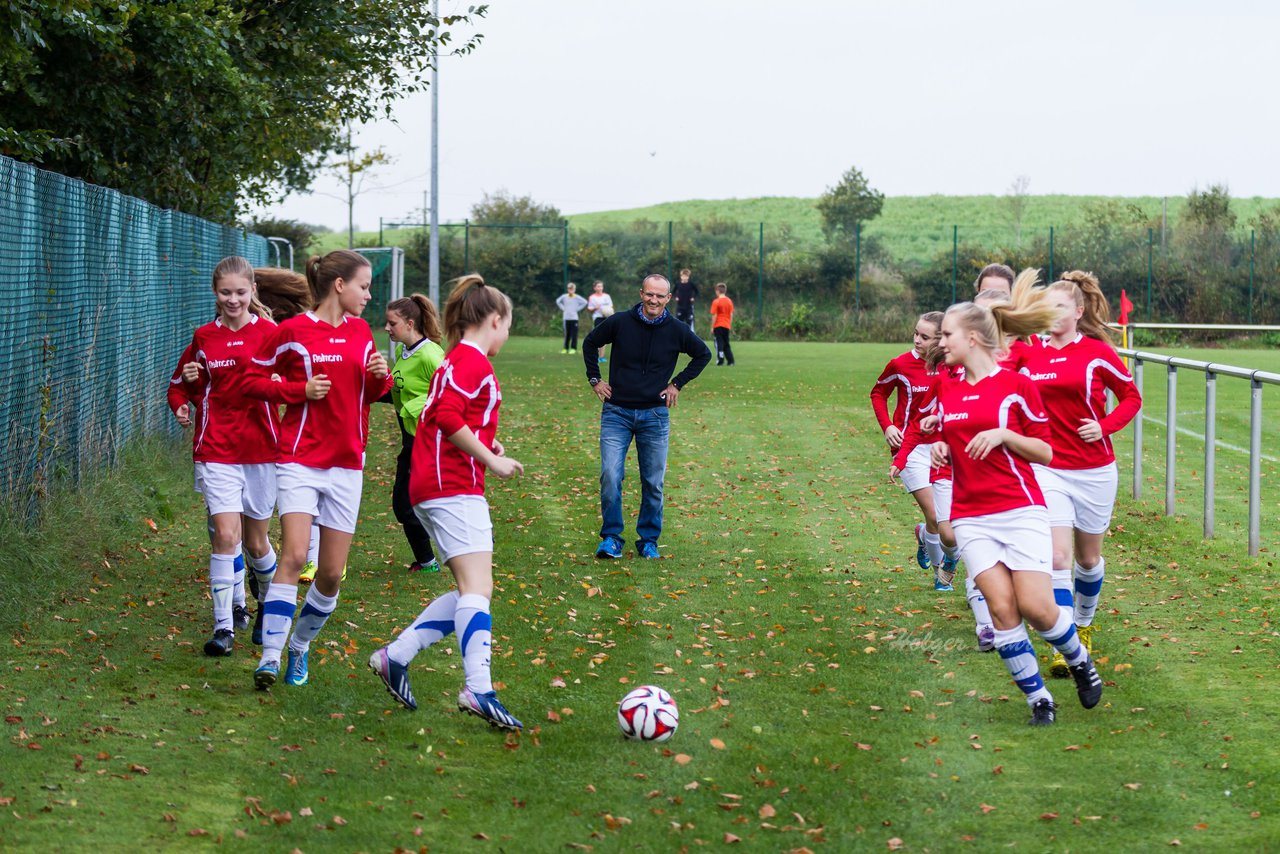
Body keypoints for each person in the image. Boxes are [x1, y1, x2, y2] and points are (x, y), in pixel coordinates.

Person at [931, 269, 1103, 726]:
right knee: (1002, 609)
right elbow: (951, 433)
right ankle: (1039, 701)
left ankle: (1081, 662)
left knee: (1037, 608)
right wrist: (938, 438)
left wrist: (1005, 434)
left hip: (1021, 509)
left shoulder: (1017, 385)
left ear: (972, 337)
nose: (941, 341)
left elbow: (1045, 450)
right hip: (970, 515)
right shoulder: (947, 385)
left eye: (947, 334)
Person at [368, 274, 525, 730]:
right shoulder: (471, 362)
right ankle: (479, 688)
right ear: (494, 320)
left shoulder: (458, 360)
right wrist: (488, 460)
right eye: (508, 325)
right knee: (476, 592)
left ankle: (395, 658)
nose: (507, 334)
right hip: (451, 486)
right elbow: (445, 415)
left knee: (470, 591)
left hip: (440, 483)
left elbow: (447, 420)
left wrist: (485, 448)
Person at [243, 249, 391, 690]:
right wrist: (298, 390)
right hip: (299, 460)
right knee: (292, 556)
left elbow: (370, 392)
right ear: (340, 285)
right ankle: (269, 658)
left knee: (328, 575)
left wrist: (380, 375)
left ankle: (299, 648)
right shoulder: (291, 331)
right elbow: (251, 381)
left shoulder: (362, 331)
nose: (368, 295)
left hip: (347, 464)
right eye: (364, 286)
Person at [166, 256, 287, 656]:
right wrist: (182, 402)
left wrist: (280, 382)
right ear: (215, 294)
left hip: (262, 450)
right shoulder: (204, 338)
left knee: (255, 543)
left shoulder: (272, 334)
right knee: (225, 535)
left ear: (253, 291)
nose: (232, 300)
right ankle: (224, 628)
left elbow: (295, 383)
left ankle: (268, 606)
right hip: (216, 448)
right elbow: (180, 385)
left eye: (240, 292)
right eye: (225, 293)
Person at [1023, 271, 1142, 676]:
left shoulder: (1096, 352)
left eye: (1059, 307)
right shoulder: (1029, 352)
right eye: (1046, 307)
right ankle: (1065, 638)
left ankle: (1085, 623)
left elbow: (1131, 397)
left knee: (1088, 561)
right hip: (1048, 467)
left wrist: (1104, 426)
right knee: (1057, 555)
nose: (1052, 314)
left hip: (1094, 470)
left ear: (1078, 311)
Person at [581, 274, 711, 559]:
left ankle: (648, 540)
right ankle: (612, 537)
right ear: (641, 293)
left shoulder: (677, 330)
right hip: (617, 412)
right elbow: (590, 343)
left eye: (660, 296)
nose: (654, 300)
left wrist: (677, 383)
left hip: (655, 414)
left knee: (653, 481)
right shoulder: (619, 322)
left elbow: (703, 354)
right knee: (611, 475)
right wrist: (595, 380)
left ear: (669, 299)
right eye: (649, 294)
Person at [380, 294, 447, 573]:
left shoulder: (431, 355)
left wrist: (415, 408)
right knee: (406, 505)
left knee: (409, 505)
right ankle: (429, 559)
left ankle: (433, 559)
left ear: (409, 324)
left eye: (391, 323)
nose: (386, 328)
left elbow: (449, 393)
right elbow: (396, 391)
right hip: (411, 441)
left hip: (429, 441)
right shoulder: (401, 352)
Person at [871, 313, 942, 571]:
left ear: (941, 339)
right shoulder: (900, 365)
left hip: (943, 447)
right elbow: (878, 393)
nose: (917, 340)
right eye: (916, 334)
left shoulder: (952, 367)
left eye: (925, 337)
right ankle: (939, 574)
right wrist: (888, 426)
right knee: (934, 514)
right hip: (908, 447)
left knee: (947, 520)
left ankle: (924, 535)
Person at [556, 281, 588, 354]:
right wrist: (563, 308)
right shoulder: (564, 297)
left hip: (574, 318)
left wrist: (577, 309)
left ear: (574, 289)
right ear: (568, 289)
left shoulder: (577, 297)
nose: (570, 290)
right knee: (567, 334)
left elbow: (585, 302)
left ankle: (573, 348)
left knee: (574, 334)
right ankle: (565, 348)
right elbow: (558, 301)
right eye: (569, 289)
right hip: (566, 318)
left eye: (572, 289)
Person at [585, 280, 614, 363]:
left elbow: (611, 306)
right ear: (594, 288)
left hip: (606, 317)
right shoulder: (592, 297)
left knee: (605, 337)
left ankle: (602, 357)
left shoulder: (607, 296)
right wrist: (596, 308)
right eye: (598, 286)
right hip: (597, 318)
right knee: (598, 336)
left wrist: (607, 310)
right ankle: (596, 355)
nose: (600, 288)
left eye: (601, 286)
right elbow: (589, 309)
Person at [709, 283, 735, 366]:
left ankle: (720, 359)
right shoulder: (729, 301)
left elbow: (715, 315)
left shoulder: (716, 301)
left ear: (717, 291)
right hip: (726, 325)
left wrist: (712, 327)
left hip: (718, 325)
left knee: (719, 342)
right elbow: (731, 314)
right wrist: (729, 324)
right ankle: (731, 361)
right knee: (726, 343)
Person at [674, 268, 698, 333]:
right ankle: (679, 336)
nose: (685, 277)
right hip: (680, 307)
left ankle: (689, 337)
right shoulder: (678, 284)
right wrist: (676, 297)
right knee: (679, 323)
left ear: (688, 277)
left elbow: (696, 291)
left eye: (686, 276)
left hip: (689, 307)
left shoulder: (691, 284)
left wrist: (693, 297)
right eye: (683, 276)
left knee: (689, 323)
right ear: (681, 276)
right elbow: (673, 292)